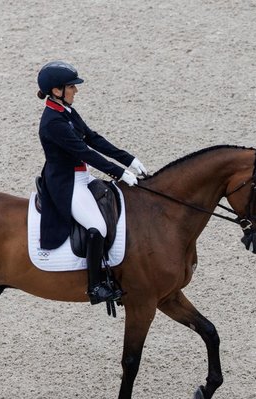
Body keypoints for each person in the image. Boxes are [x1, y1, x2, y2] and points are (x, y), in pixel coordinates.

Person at [35, 60, 148, 306]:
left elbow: (93, 138)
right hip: (67, 184)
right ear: (57, 90)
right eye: (71, 87)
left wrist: (129, 159)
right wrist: (119, 173)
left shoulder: (65, 111)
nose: (76, 90)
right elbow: (86, 152)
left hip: (82, 177)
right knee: (97, 227)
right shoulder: (53, 122)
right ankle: (96, 286)